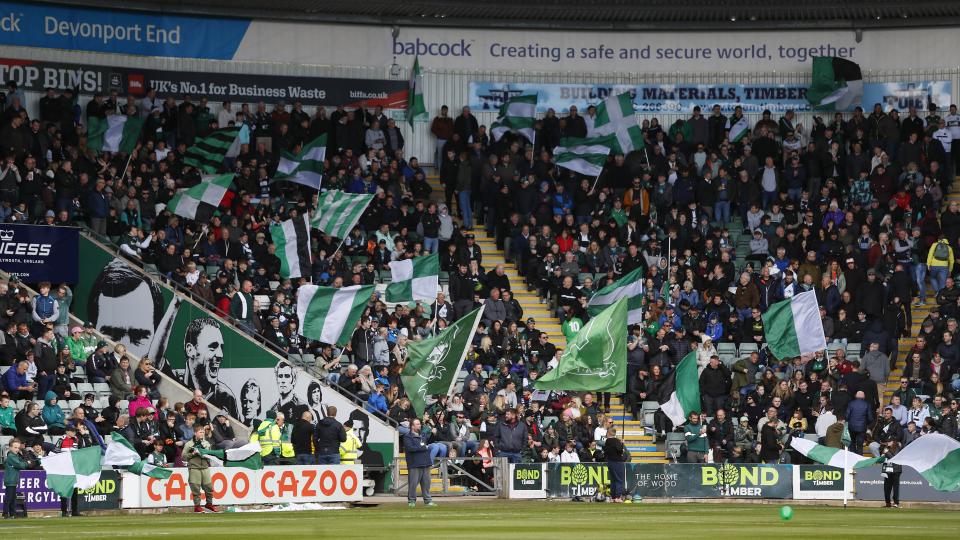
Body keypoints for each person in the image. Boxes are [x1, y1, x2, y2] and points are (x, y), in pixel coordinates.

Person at [182, 423, 218, 513]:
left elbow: (210, 455)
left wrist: (205, 454)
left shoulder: (206, 443)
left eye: (203, 432)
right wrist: (193, 453)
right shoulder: (189, 444)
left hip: (205, 467)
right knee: (196, 488)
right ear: (195, 433)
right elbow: (183, 457)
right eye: (200, 432)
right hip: (194, 468)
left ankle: (209, 504)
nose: (202, 433)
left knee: (209, 487)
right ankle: (197, 506)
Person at [404, 418, 436, 508]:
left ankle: (428, 500)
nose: (419, 425)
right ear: (412, 426)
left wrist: (433, 434)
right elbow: (410, 448)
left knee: (426, 484)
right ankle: (411, 501)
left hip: (425, 462)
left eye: (419, 424)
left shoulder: (423, 434)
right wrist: (423, 447)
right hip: (414, 463)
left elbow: (429, 442)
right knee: (413, 484)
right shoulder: (407, 436)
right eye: (417, 424)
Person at [3, 438, 29, 519]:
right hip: (10, 480)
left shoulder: (15, 456)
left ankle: (11, 513)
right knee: (9, 498)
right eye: (15, 447)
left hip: (13, 480)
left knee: (12, 498)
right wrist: (27, 463)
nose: (17, 449)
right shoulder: (11, 456)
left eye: (18, 447)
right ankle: (6, 513)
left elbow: (21, 462)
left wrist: (27, 462)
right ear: (10, 447)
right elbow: (20, 465)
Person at [603, 426, 628, 502]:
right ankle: (617, 497)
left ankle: (613, 497)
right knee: (619, 480)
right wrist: (622, 444)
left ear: (609, 433)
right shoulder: (616, 441)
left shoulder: (607, 442)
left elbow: (606, 451)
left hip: (610, 462)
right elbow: (620, 450)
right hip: (617, 462)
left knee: (613, 480)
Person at [881, 441, 902, 508]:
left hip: (896, 470)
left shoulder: (898, 448)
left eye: (889, 441)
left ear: (893, 442)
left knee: (895, 488)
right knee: (886, 488)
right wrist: (882, 455)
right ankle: (888, 503)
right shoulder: (886, 448)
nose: (888, 442)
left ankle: (896, 503)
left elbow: (894, 458)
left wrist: (887, 452)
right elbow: (885, 458)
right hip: (887, 470)